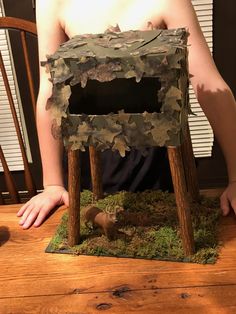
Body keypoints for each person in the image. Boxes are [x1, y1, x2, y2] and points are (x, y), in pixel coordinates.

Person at [17, 0, 236, 229]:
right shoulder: (53, 2)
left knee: (164, 231)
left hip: (156, 159)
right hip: (88, 157)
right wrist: (52, 184)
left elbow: (208, 84)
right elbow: (51, 89)